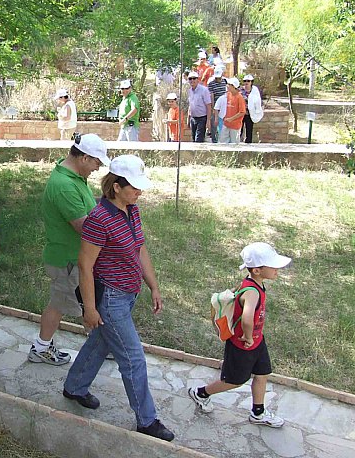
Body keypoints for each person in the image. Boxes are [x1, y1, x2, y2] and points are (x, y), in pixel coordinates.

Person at [63, 155, 174, 442]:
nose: (140, 192)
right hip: (110, 299)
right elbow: (85, 265)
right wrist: (90, 308)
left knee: (100, 344)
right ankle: (147, 420)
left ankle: (74, 387)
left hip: (129, 295)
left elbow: (140, 248)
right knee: (133, 359)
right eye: (134, 187)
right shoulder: (99, 219)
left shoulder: (131, 209)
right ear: (115, 187)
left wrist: (154, 286)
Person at [188, 242, 291, 428]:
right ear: (258, 270)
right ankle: (201, 393)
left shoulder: (252, 282)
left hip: (257, 342)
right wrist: (249, 336)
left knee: (262, 373)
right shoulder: (252, 292)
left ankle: (258, 413)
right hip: (244, 344)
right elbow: (246, 319)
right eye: (273, 265)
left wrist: (254, 338)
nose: (277, 269)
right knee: (233, 381)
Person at [28, 133, 110, 366]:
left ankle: (101, 343)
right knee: (59, 304)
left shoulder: (73, 177)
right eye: (97, 162)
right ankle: (41, 348)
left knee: (87, 301)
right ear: (84, 158)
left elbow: (87, 207)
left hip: (76, 257)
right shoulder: (64, 186)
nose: (97, 168)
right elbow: (85, 228)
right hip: (67, 260)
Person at [218, 77, 246, 144]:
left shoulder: (240, 97)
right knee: (222, 142)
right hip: (226, 123)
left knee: (234, 144)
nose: (227, 86)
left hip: (235, 126)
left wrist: (231, 119)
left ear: (233, 86)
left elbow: (242, 112)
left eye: (229, 84)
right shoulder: (228, 94)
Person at [187, 71, 211, 142]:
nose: (192, 80)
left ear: (198, 79)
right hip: (193, 118)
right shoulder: (189, 91)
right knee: (194, 139)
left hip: (202, 118)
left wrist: (208, 121)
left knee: (199, 139)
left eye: (194, 78)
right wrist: (188, 118)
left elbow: (208, 105)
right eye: (190, 79)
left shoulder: (204, 90)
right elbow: (190, 104)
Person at [241, 74, 264, 144]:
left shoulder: (255, 91)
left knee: (249, 130)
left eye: (248, 81)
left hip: (250, 114)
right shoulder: (240, 90)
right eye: (245, 81)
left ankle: (248, 145)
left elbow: (259, 101)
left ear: (251, 82)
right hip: (241, 113)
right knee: (239, 130)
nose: (246, 83)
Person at [207, 66, 227, 143]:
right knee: (214, 123)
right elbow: (211, 95)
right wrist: (213, 107)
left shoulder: (225, 81)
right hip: (215, 105)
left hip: (224, 105)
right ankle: (214, 139)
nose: (217, 79)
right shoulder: (211, 84)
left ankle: (222, 139)